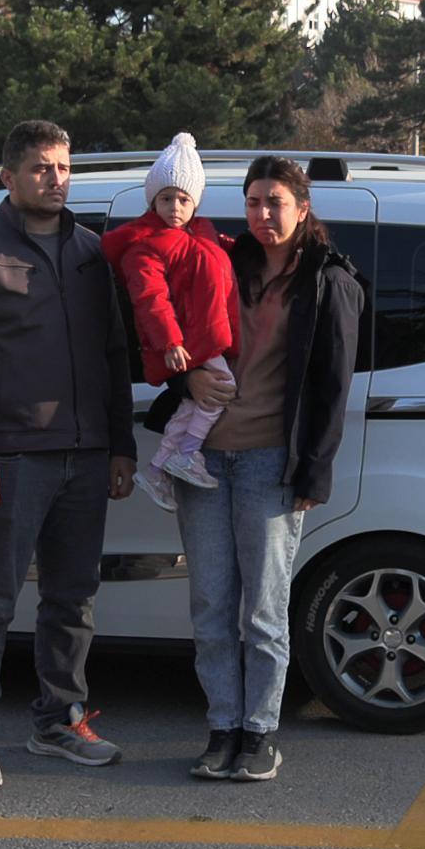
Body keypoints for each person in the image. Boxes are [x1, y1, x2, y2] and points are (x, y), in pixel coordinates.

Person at [0, 119, 138, 790]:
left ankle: (58, 720)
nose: (56, 179)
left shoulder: (91, 252)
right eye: (42, 168)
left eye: (64, 168)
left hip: (85, 455)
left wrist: (120, 445)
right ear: (10, 176)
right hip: (10, 459)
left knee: (73, 600)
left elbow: (114, 354)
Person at [156, 155, 362, 783]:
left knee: (264, 612)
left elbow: (333, 386)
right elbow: (174, 335)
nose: (263, 213)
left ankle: (260, 733)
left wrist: (314, 471)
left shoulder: (328, 280)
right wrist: (186, 377)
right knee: (210, 605)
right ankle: (222, 728)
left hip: (271, 462)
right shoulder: (221, 260)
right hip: (202, 459)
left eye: (276, 202)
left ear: (303, 208)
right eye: (253, 202)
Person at [99, 133, 237, 512]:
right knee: (223, 388)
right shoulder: (144, 246)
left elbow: (215, 253)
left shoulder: (199, 235)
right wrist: (171, 342)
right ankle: (186, 454)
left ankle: (159, 468)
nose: (175, 207)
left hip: (201, 339)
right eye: (166, 198)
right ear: (152, 201)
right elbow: (150, 300)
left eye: (183, 199)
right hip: (188, 344)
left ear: (196, 203)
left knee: (192, 405)